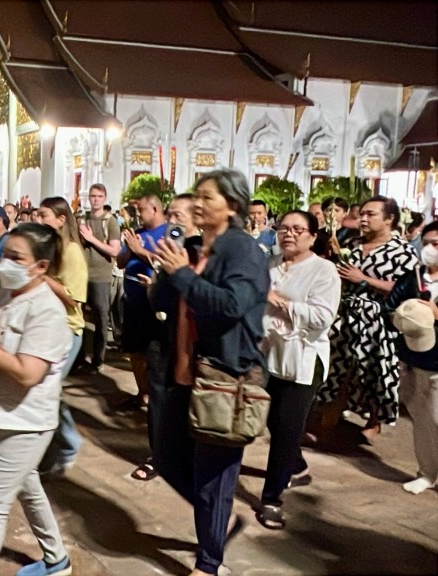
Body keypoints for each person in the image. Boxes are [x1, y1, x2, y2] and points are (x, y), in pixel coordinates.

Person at [150, 169, 270, 576]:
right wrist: (168, 271)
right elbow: (162, 300)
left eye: (207, 197)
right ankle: (217, 519)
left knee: (214, 477)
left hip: (224, 374)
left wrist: (182, 274)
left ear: (232, 206)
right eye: (196, 196)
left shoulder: (243, 250)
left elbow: (233, 305)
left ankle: (209, 562)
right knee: (167, 457)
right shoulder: (194, 247)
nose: (197, 204)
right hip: (183, 369)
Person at [0, 223, 74, 576]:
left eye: (16, 258)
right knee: (27, 485)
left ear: (41, 266)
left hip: (26, 421)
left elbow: (27, 373)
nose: (5, 263)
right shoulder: (0, 295)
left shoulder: (48, 311)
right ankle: (57, 559)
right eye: (4, 254)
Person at [256, 211, 341, 530]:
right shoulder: (271, 263)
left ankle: (272, 500)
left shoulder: (323, 270)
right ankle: (296, 464)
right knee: (271, 421)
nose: (288, 234)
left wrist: (279, 301)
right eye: (283, 228)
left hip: (302, 359)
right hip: (268, 354)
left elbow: (322, 317)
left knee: (285, 429)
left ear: (312, 236)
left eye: (297, 229)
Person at [319, 196, 418, 442]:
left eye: (370, 214)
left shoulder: (403, 251)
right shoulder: (351, 243)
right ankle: (329, 417)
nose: (363, 219)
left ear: (389, 219)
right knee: (338, 368)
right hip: (345, 316)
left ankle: (374, 421)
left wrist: (363, 279)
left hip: (378, 320)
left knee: (375, 372)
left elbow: (405, 289)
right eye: (361, 214)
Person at [132, 193, 202, 482]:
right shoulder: (170, 248)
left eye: (178, 216)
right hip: (162, 333)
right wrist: (155, 285)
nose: (171, 221)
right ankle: (159, 455)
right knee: (159, 397)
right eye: (169, 215)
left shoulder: (202, 252)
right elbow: (161, 295)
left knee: (186, 400)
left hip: (190, 339)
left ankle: (181, 456)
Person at [34, 197, 88, 476]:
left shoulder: (72, 252)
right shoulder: (51, 248)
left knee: (47, 389)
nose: (38, 220)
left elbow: (74, 299)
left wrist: (43, 278)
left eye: (43, 215)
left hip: (67, 329)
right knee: (43, 389)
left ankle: (68, 445)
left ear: (61, 219)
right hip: (48, 326)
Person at [384, 220, 438, 495]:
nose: (429, 249)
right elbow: (389, 307)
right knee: (423, 420)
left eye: (436, 244)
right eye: (426, 243)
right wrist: (407, 314)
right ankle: (426, 472)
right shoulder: (412, 277)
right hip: (412, 356)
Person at [117, 194, 167, 410]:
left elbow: (165, 263)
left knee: (152, 354)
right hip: (132, 301)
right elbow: (120, 262)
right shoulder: (137, 233)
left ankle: (156, 399)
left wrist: (140, 251)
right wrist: (129, 248)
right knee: (134, 351)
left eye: (141, 211)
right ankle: (142, 394)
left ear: (154, 209)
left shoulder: (169, 233)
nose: (138, 215)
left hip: (153, 304)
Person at [78, 184, 121, 371]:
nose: (95, 199)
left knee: (101, 318)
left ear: (104, 198)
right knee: (80, 317)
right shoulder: (82, 219)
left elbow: (115, 250)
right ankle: (81, 357)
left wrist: (91, 239)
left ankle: (98, 359)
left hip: (100, 275)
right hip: (82, 273)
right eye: (93, 196)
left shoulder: (110, 221)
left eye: (99, 196)